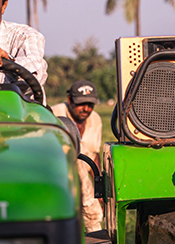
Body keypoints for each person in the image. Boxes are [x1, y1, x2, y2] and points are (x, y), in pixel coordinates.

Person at [51, 80, 103, 233]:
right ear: (70, 101)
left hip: (84, 176)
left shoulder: (95, 119)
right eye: (81, 104)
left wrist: (98, 189)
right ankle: (93, 225)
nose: (86, 109)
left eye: (90, 104)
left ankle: (93, 227)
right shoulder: (54, 114)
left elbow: (94, 155)